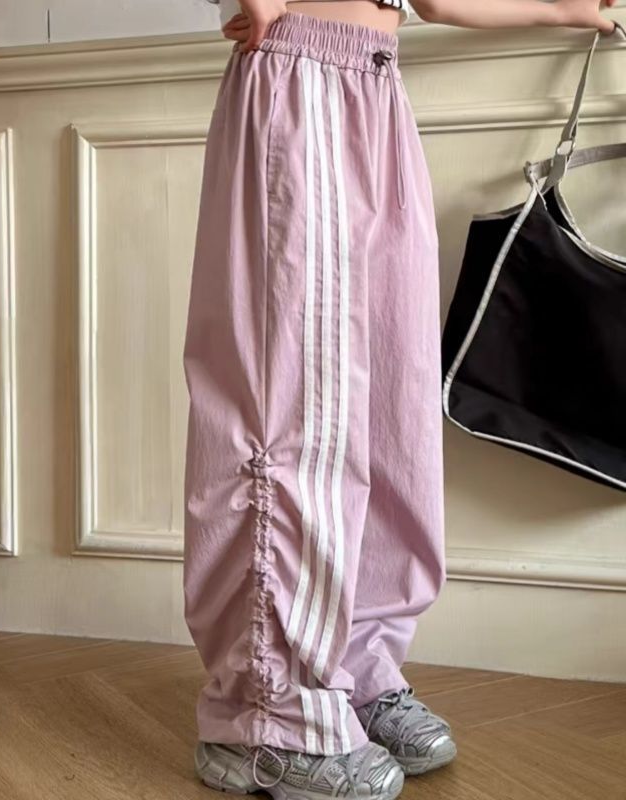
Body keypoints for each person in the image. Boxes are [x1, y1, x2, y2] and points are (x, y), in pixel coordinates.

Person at [181, 1, 617, 798]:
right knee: (293, 408)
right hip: (297, 78)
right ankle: (266, 715)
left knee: (389, 406)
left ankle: (356, 669)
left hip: (376, 90)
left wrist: (564, 8)